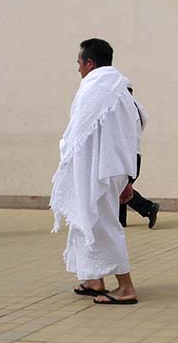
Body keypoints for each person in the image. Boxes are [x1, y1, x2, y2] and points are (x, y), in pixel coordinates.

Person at [50, 38, 141, 305]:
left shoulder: (94, 89)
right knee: (87, 220)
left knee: (103, 225)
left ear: (89, 63)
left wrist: (64, 152)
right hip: (112, 167)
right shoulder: (121, 88)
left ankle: (126, 287)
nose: (78, 69)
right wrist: (128, 174)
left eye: (79, 63)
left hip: (99, 169)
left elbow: (76, 133)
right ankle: (94, 279)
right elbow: (138, 125)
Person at [119, 84, 160, 229]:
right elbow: (144, 121)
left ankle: (148, 208)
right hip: (136, 153)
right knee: (121, 185)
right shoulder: (136, 105)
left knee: (119, 186)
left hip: (127, 153)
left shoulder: (123, 106)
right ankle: (120, 220)